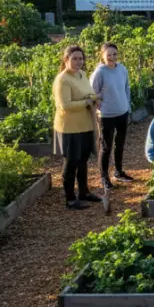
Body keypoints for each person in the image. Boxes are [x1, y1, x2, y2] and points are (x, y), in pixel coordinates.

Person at [53, 45, 102, 210]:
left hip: (85, 124)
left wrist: (95, 98)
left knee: (83, 160)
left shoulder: (82, 75)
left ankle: (84, 192)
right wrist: (87, 102)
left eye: (80, 58)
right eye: (74, 58)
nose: (78, 62)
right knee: (71, 162)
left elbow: (87, 93)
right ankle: (70, 198)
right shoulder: (62, 80)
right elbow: (65, 105)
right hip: (70, 127)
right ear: (66, 60)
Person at [90, 42, 134, 189]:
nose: (112, 57)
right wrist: (100, 106)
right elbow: (93, 93)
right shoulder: (99, 72)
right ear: (102, 55)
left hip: (122, 112)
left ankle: (119, 172)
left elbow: (127, 87)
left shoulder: (122, 69)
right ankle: (104, 177)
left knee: (120, 143)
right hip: (106, 115)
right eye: (109, 54)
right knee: (106, 146)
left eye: (114, 54)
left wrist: (127, 104)